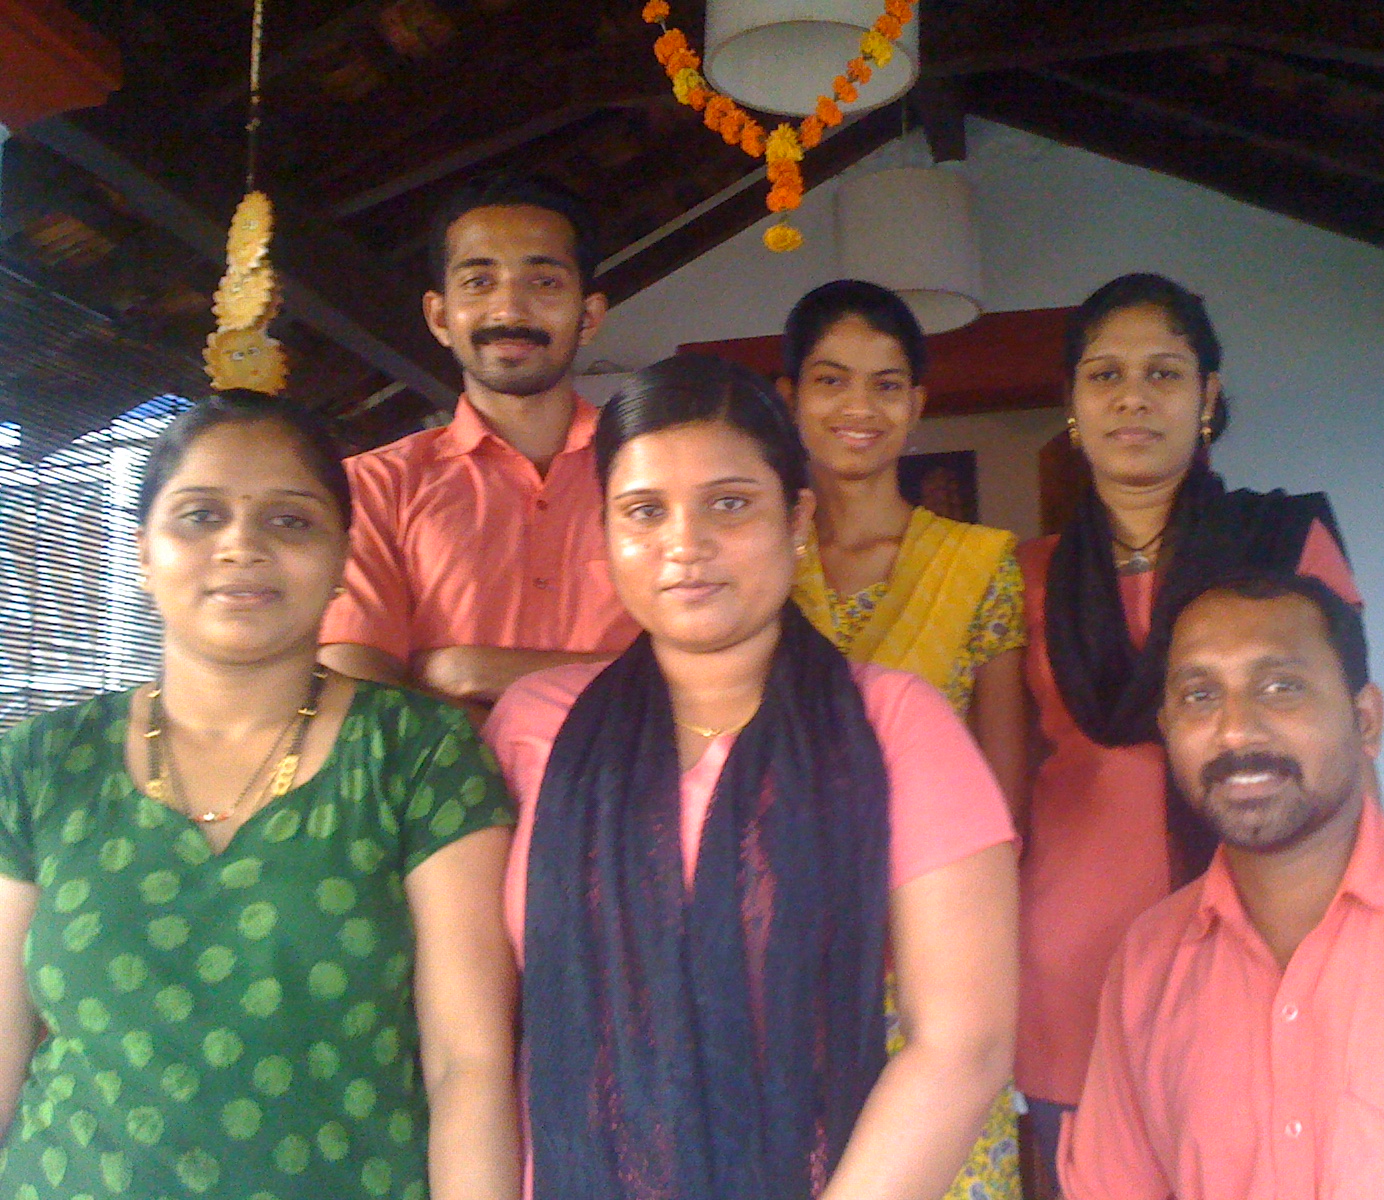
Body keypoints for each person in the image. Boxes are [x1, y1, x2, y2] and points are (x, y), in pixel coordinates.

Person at [484, 354, 1019, 1200]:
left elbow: (964, 1044)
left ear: (796, 518)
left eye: (729, 504)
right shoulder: (532, 726)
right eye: (645, 511)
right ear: (606, 532)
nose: (685, 545)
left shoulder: (894, 726)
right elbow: (477, 1040)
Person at [0, 392, 521, 1198]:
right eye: (200, 516)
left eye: (290, 520)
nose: (241, 544)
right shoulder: (41, 763)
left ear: (343, 560)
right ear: (143, 554)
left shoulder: (418, 754)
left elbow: (467, 1063)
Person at [1060, 570, 1384, 1198]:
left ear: (1365, 721)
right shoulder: (1148, 967)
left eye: (1281, 688)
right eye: (1199, 696)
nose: (1234, 730)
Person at [1015, 273, 1362, 1170]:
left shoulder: (1282, 546)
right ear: (1072, 403)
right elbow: (1004, 791)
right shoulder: (1027, 578)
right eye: (1106, 375)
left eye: (1164, 373)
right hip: (1073, 975)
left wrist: (1365, 936)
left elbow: (1344, 754)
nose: (1133, 397)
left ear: (1207, 397)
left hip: (1262, 945)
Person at [780, 279, 1027, 1200]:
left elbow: (1002, 801)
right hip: (780, 954)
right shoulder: (751, 565)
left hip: (935, 959)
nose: (859, 407)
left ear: (918, 405)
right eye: (831, 380)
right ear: (789, 397)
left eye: (886, 385)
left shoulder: (978, 564)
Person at [320, 174, 637, 710]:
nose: (509, 310)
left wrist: (462, 672)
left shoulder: (658, 470)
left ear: (588, 318)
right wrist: (614, 688)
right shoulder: (373, 488)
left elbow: (710, 671)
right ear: (440, 316)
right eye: (479, 281)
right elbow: (358, 700)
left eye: (544, 282)